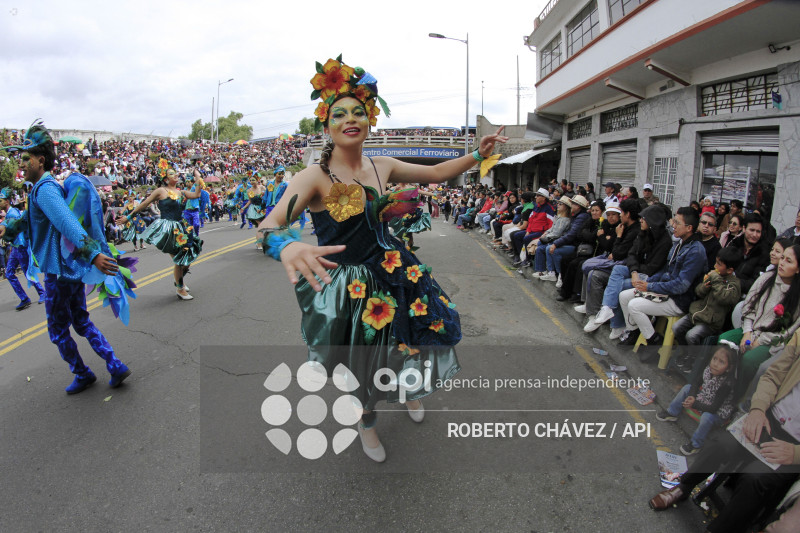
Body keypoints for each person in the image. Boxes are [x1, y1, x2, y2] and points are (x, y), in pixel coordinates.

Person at [257, 55, 508, 463]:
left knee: (409, 342)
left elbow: (439, 173)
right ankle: (367, 422)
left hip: (395, 271)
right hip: (350, 289)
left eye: (359, 111)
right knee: (362, 363)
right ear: (326, 125)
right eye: (339, 114)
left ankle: (408, 390)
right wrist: (286, 245)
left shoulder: (383, 165)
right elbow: (267, 226)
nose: (350, 119)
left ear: (371, 119)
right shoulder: (312, 177)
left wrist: (477, 156)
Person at [0, 121, 131, 394]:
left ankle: (82, 373)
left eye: (26, 158)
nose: (21, 164)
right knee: (81, 321)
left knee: (57, 330)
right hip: (69, 271)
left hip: (58, 274)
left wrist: (93, 253)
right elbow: (32, 219)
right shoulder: (43, 188)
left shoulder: (45, 189)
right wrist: (10, 228)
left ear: (41, 160)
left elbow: (66, 222)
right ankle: (114, 364)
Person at [648, 329, 800, 533]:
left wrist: (796, 453)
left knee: (754, 480)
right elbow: (772, 375)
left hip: (795, 444)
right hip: (768, 416)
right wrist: (757, 409)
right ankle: (684, 487)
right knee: (721, 444)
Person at [618, 207, 707, 354]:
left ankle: (654, 341)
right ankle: (634, 332)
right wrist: (647, 283)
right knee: (624, 296)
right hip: (665, 291)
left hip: (679, 300)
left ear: (689, 228)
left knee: (634, 305)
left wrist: (651, 286)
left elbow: (681, 286)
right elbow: (665, 270)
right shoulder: (680, 244)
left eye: (677, 223)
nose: (673, 225)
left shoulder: (695, 251)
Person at [718, 244, 800, 398]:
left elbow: (789, 330)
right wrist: (747, 333)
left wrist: (760, 341)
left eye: (789, 261)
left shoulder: (796, 296)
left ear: (797, 269)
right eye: (782, 258)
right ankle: (718, 386)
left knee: (749, 361)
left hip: (771, 342)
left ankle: (736, 396)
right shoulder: (767, 278)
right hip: (751, 330)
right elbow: (749, 306)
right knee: (724, 341)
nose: (782, 263)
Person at [584, 204, 671, 337]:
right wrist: (634, 272)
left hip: (651, 277)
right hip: (635, 270)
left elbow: (651, 268)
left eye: (644, 218)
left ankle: (618, 324)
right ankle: (606, 308)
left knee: (620, 285)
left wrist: (618, 238)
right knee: (615, 270)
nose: (641, 220)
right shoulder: (643, 234)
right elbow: (632, 254)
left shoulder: (665, 241)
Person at [116, 167, 203, 300]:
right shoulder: (161, 191)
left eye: (176, 173)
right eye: (171, 173)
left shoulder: (181, 192)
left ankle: (179, 280)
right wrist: (128, 217)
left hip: (181, 227)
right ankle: (180, 289)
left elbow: (196, 194)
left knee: (187, 257)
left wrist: (197, 177)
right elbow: (144, 204)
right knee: (179, 260)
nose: (176, 175)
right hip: (168, 229)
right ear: (166, 179)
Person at [656, 344, 738, 455]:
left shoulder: (727, 384)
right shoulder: (709, 370)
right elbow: (695, 383)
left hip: (718, 412)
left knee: (706, 417)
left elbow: (714, 408)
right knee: (687, 388)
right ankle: (672, 412)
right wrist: (692, 395)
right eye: (714, 359)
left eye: (721, 362)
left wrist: (694, 404)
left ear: (729, 368)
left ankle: (696, 444)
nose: (715, 364)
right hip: (704, 398)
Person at [672, 247, 743, 370]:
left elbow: (724, 298)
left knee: (691, 336)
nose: (715, 266)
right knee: (676, 327)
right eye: (716, 262)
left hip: (711, 321)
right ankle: (687, 352)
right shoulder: (715, 276)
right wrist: (704, 287)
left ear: (730, 270)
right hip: (697, 313)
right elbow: (698, 292)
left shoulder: (734, 285)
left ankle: (693, 357)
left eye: (719, 265)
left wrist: (715, 279)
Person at [0, 187, 45, 310]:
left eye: (1, 200)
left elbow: (15, 232)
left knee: (27, 272)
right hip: (15, 248)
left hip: (21, 246)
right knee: (9, 273)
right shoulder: (9, 214)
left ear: (7, 201)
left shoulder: (13, 213)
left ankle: (42, 292)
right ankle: (24, 298)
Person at [534, 195, 589, 283]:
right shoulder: (574, 216)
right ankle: (547, 271)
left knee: (552, 249)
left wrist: (556, 243)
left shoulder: (580, 217)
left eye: (573, 204)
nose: (558, 205)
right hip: (568, 241)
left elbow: (570, 234)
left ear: (578, 206)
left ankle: (559, 274)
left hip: (574, 245)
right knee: (543, 246)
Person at [729, 213, 772, 294]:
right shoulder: (734, 245)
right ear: (744, 228)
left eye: (758, 231)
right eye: (752, 230)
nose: (755, 235)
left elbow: (756, 282)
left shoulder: (764, 254)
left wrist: (732, 281)